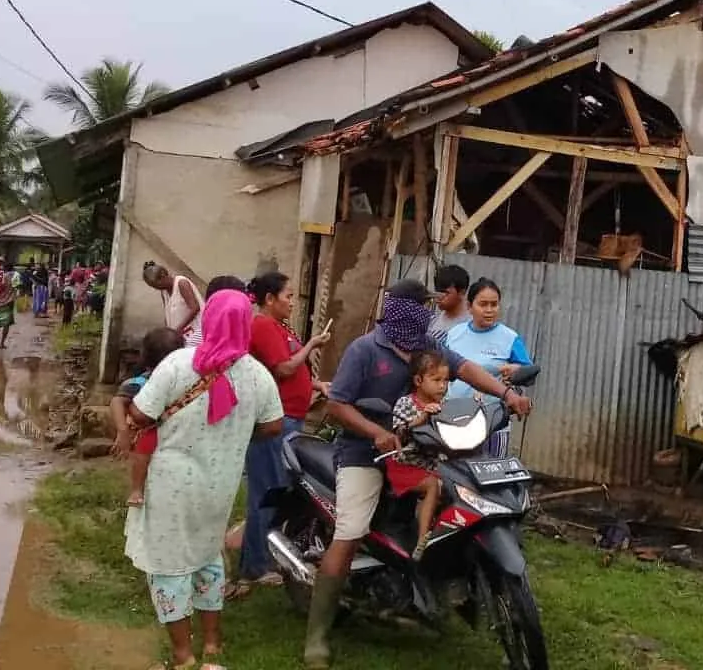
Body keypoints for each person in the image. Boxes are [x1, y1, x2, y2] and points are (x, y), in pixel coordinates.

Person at [302, 279, 534, 669]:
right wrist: (377, 433)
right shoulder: (364, 350)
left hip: (425, 448)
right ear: (400, 309)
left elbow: (467, 369)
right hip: (365, 453)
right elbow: (336, 406)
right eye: (420, 306)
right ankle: (317, 637)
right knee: (349, 532)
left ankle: (440, 577)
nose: (428, 313)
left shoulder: (428, 347)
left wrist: (507, 395)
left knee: (463, 495)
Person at [124, 289, 284, 670]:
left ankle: (183, 654)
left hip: (170, 484)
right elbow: (273, 425)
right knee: (208, 558)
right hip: (220, 484)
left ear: (208, 319)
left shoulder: (179, 364)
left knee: (169, 565)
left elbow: (142, 414)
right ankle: (212, 643)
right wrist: (236, 432)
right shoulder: (256, 374)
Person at [229, 271, 332, 599]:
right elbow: (284, 368)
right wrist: (313, 344)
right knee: (268, 491)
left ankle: (259, 557)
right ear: (269, 299)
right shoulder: (262, 325)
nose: (293, 301)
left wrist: (315, 385)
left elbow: (293, 371)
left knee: (278, 490)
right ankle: (254, 567)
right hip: (275, 421)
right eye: (288, 295)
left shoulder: (280, 327)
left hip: (290, 419)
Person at [443, 278, 532, 458]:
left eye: (494, 304)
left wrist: (516, 369)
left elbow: (528, 373)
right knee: (457, 474)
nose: (489, 310)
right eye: (483, 304)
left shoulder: (509, 338)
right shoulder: (454, 335)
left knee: (491, 474)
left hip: (494, 421)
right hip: (455, 418)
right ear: (469, 306)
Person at [111, 327, 186, 507]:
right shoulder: (142, 382)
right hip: (150, 430)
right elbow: (117, 401)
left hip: (176, 434)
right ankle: (137, 489)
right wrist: (123, 431)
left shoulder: (186, 380)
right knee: (144, 451)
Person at [389, 348, 450, 560]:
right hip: (406, 466)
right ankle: (423, 540)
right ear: (418, 380)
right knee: (433, 485)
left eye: (446, 380)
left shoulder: (445, 407)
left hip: (434, 466)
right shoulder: (406, 403)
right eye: (436, 380)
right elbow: (401, 433)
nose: (442, 385)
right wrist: (423, 417)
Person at [143, 261, 205, 347]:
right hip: (181, 336)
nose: (157, 288)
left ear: (163, 276)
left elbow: (195, 308)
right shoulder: (164, 292)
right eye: (154, 287)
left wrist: (177, 330)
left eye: (157, 285)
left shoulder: (181, 283)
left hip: (196, 333)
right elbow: (167, 315)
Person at [429, 264, 471, 345]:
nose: (438, 296)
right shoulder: (433, 320)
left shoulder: (472, 325)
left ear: (462, 292)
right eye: (437, 291)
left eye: (445, 292)